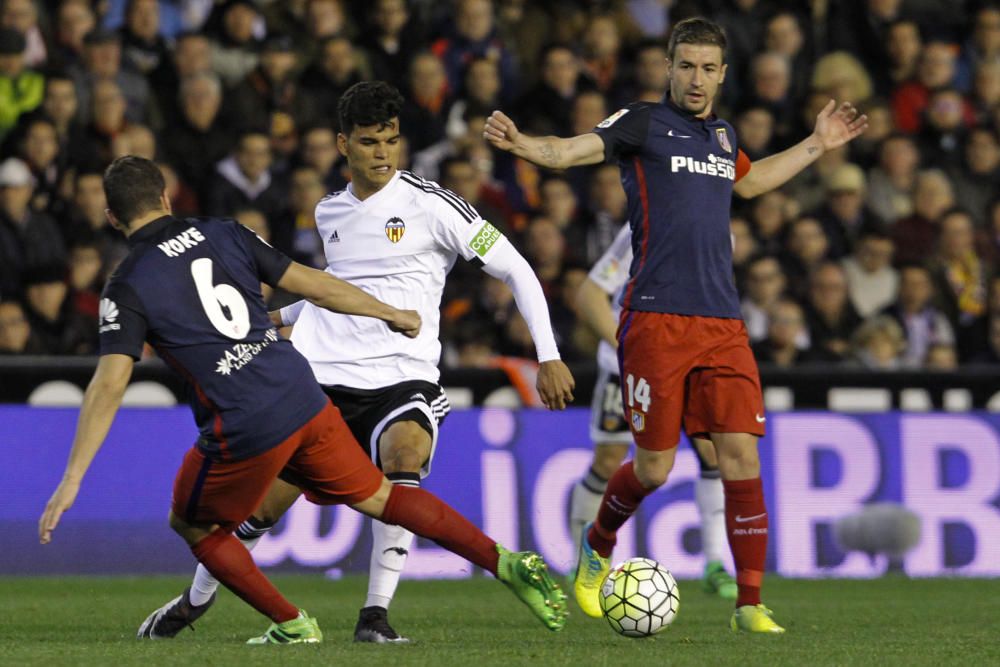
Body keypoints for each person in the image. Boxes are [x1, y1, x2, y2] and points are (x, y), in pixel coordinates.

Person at [39, 156, 568, 645]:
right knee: (382, 497)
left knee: (192, 523)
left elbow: (109, 384)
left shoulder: (127, 284)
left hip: (244, 420)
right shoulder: (225, 231)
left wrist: (72, 478)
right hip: (304, 394)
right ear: (167, 197)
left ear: (111, 217)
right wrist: (390, 312)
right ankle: (504, 562)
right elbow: (315, 284)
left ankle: (293, 623)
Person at [484, 16, 867, 633]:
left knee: (739, 454)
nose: (696, 78)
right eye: (685, 65)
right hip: (655, 320)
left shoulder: (721, 136)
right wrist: (528, 145)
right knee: (654, 468)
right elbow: (574, 149)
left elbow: (752, 181)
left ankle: (749, 604)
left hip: (723, 323)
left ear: (722, 73)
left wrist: (817, 143)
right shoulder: (641, 122)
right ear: (668, 68)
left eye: (707, 67)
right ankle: (598, 543)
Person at [571, 223, 736, 599]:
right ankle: (583, 558)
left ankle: (714, 562)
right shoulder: (642, 229)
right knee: (609, 460)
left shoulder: (722, 233)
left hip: (691, 361)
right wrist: (628, 349)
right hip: (630, 364)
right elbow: (592, 293)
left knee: (713, 452)